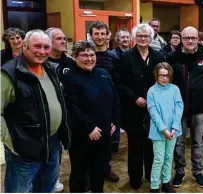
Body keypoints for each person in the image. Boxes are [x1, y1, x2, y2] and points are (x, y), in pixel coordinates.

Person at [1, 29, 71, 192]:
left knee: (47, 187)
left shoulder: (50, 69)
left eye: (46, 47)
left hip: (52, 143)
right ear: (24, 46)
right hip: (24, 146)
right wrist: (13, 143)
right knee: (19, 189)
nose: (42, 51)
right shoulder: (9, 74)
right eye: (37, 46)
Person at [64, 40, 119, 193]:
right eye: (83, 55)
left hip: (104, 132)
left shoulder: (103, 74)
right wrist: (89, 126)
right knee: (80, 172)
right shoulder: (70, 77)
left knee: (99, 169)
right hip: (83, 134)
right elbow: (71, 106)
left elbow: (115, 98)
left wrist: (114, 120)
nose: (89, 58)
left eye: (91, 54)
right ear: (74, 57)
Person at [116, 23, 164, 190]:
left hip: (154, 110)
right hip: (133, 109)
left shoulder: (158, 56)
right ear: (134, 38)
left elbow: (164, 80)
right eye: (140, 36)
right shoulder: (126, 57)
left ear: (151, 38)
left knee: (152, 146)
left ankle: (152, 177)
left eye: (146, 36)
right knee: (135, 147)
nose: (143, 38)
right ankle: (135, 179)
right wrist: (135, 98)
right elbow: (120, 83)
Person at [167, 26, 203, 188]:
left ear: (198, 39)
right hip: (177, 109)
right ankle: (180, 172)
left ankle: (197, 171)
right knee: (178, 143)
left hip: (199, 108)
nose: (190, 41)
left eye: (193, 38)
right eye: (186, 38)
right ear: (181, 38)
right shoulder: (172, 57)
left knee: (198, 142)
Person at [88, 21, 120, 182]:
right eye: (96, 33)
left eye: (102, 34)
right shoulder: (85, 55)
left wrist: (115, 116)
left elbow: (117, 86)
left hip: (107, 108)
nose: (99, 37)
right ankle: (89, 173)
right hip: (88, 108)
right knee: (89, 144)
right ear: (91, 35)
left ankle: (105, 169)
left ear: (107, 36)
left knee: (106, 144)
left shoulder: (114, 57)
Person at [45, 27, 75, 192]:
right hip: (48, 115)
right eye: (59, 39)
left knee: (59, 150)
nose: (63, 41)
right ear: (49, 41)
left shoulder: (70, 61)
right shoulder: (41, 61)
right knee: (48, 151)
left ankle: (54, 179)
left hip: (68, 115)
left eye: (64, 38)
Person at [147, 62, 184, 193]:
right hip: (158, 132)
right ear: (156, 75)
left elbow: (179, 108)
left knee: (169, 157)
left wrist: (174, 127)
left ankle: (166, 181)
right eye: (161, 75)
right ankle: (155, 186)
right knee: (158, 159)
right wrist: (164, 130)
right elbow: (154, 113)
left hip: (173, 131)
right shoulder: (151, 91)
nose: (164, 78)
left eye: (167, 76)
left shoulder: (175, 89)